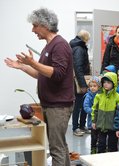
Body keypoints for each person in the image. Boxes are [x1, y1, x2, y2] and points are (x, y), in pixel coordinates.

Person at [4, 8, 74, 166]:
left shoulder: (60, 45)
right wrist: (22, 66)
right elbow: (41, 74)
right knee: (60, 145)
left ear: (45, 25)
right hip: (51, 105)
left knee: (57, 148)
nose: (33, 29)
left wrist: (33, 62)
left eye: (35, 25)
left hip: (59, 106)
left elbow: (58, 74)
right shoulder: (49, 46)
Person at [91, 72, 119, 153]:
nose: (105, 84)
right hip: (101, 126)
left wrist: (118, 127)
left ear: (114, 83)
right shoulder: (99, 96)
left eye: (108, 82)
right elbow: (95, 109)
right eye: (104, 82)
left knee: (112, 146)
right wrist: (94, 121)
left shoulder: (118, 97)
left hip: (112, 127)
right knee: (101, 144)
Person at [70, 29, 91, 136]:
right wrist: (83, 84)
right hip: (80, 81)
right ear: (85, 38)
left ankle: (82, 125)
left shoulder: (78, 46)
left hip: (81, 80)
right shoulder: (79, 48)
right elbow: (78, 67)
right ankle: (75, 128)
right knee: (78, 105)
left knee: (83, 104)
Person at [83, 76, 101, 154]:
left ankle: (100, 150)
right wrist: (94, 111)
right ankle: (93, 150)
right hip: (92, 121)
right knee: (93, 137)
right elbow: (86, 107)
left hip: (100, 121)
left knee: (100, 137)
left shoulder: (101, 95)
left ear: (99, 86)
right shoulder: (88, 96)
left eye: (94, 86)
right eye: (91, 86)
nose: (92, 88)